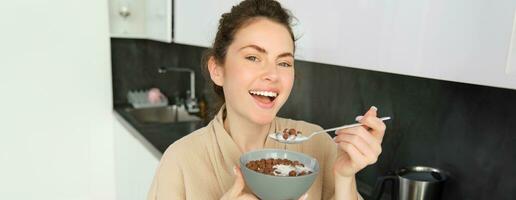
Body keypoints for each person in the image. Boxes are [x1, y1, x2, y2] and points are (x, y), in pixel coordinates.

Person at [147, 0, 386, 199]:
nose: (272, 74)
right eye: (253, 57)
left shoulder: (319, 146)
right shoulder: (180, 161)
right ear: (217, 70)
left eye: (283, 63)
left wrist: (344, 177)